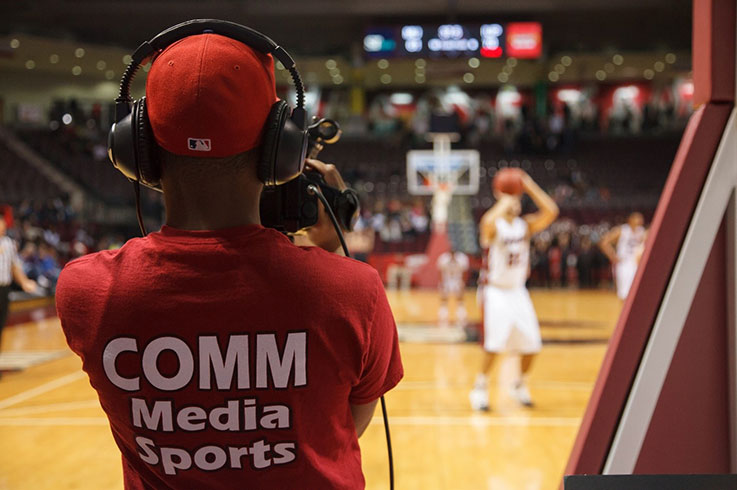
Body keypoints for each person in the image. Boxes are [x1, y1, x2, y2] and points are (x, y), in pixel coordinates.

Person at [55, 30, 403, 489]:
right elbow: (334, 430)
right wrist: (327, 256)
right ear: (283, 148)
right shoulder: (354, 291)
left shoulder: (84, 291)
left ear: (136, 149)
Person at [469, 171, 558, 411]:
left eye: (517, 199)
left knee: (532, 345)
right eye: (513, 198)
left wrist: (529, 186)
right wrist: (503, 201)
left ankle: (519, 384)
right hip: (494, 291)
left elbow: (551, 211)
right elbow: (485, 224)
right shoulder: (494, 226)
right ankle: (480, 387)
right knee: (494, 344)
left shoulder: (525, 226)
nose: (515, 202)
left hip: (518, 291)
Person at [0, 209, 37, 354]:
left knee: (1, 325)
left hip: (4, 289)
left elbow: (14, 266)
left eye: (3, 222)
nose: (2, 225)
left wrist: (24, 282)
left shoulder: (9, 243)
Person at [598, 212, 647, 300]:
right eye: (637, 218)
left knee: (637, 292)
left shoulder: (642, 231)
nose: (640, 221)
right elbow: (604, 242)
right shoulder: (622, 230)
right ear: (630, 220)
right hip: (624, 263)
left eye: (641, 219)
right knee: (624, 293)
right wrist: (612, 256)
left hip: (637, 263)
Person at [437, 248, 469, 328]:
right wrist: (441, 283)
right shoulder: (443, 258)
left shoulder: (462, 258)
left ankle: (461, 318)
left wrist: (463, 283)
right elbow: (440, 271)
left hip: (457, 280)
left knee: (460, 300)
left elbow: (465, 272)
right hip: (446, 280)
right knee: (444, 300)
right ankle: (443, 318)